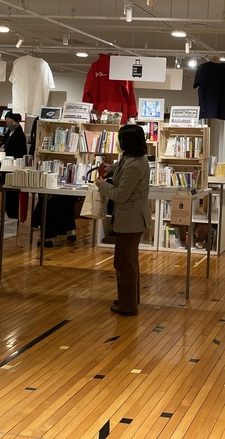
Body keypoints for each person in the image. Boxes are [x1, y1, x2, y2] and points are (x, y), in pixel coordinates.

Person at [95, 124, 150, 316]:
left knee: (123, 262)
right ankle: (130, 299)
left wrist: (102, 185)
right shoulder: (131, 158)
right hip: (130, 217)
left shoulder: (135, 164)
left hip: (132, 218)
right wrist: (107, 170)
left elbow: (120, 195)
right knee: (128, 261)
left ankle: (128, 306)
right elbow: (118, 168)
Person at [0, 112, 27, 220]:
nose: (8, 124)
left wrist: (5, 150)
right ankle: (10, 217)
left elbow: (19, 152)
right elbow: (3, 143)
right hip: (6, 166)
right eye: (7, 122)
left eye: (11, 122)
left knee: (12, 196)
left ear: (18, 121)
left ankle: (13, 218)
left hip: (13, 168)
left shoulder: (20, 135)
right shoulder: (9, 132)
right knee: (7, 195)